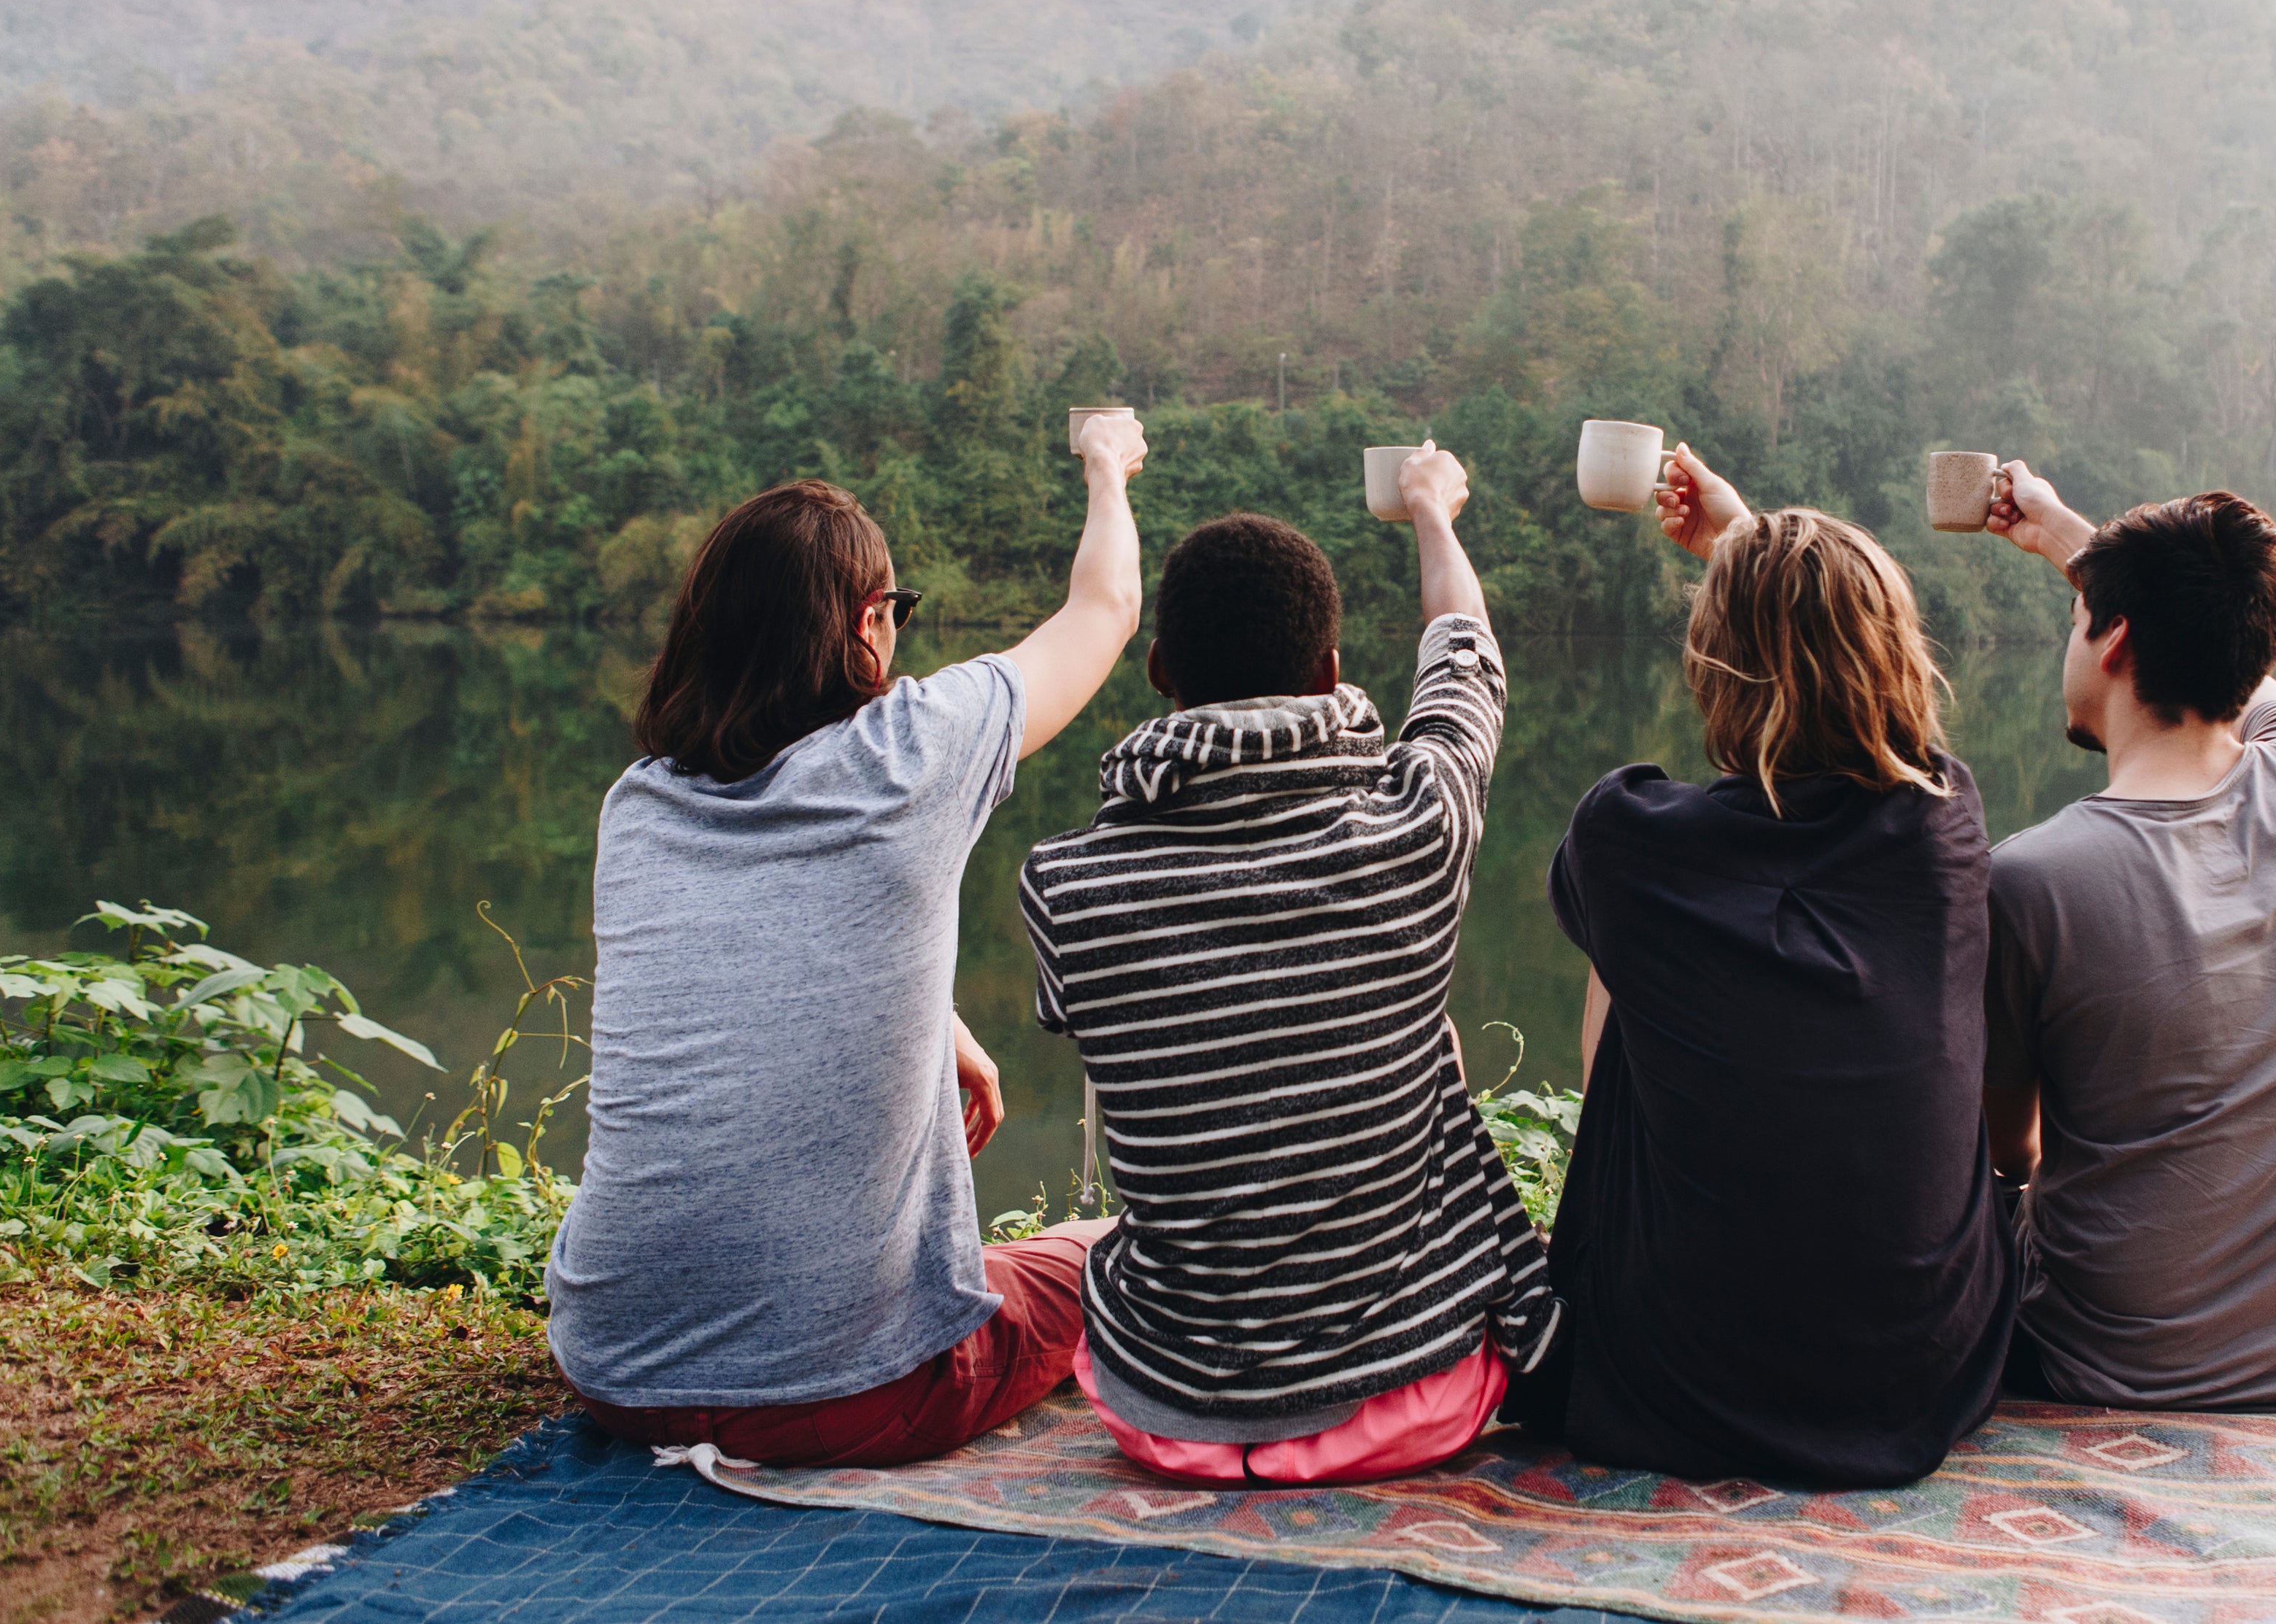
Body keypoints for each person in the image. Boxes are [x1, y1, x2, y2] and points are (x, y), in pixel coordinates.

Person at [549, 414, 1148, 1466]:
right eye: (897, 612)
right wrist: (1107, 461)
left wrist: (939, 1021)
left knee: (976, 1258)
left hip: (616, 1368)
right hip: (859, 1393)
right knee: (1123, 1248)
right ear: (869, 621)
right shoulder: (912, 753)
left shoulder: (637, 806)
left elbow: (748, 956)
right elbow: (1103, 607)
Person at [1018, 442, 1559, 1486]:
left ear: (1162, 672)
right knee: (1422, 1032)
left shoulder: (1065, 883)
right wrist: (1432, 513)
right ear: (1326, 674)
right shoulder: (1416, 821)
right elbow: (1463, 652)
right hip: (1416, 1395)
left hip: (1169, 1407)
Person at [1499, 446, 2018, 1488]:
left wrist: (1741, 548)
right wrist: (1745, 536)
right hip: (1922, 1379)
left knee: (1628, 942)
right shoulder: (1945, 828)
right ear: (1899, 656)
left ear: (1709, 660)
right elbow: (1833, 661)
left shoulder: (1627, 838)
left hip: (1671, 1378)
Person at [1978, 461, 2276, 1410]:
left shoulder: (2029, 881)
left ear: (2115, 642)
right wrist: (2065, 540)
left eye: (2079, 617)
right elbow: (2233, 660)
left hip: (2112, 1365)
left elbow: (2008, 1150)